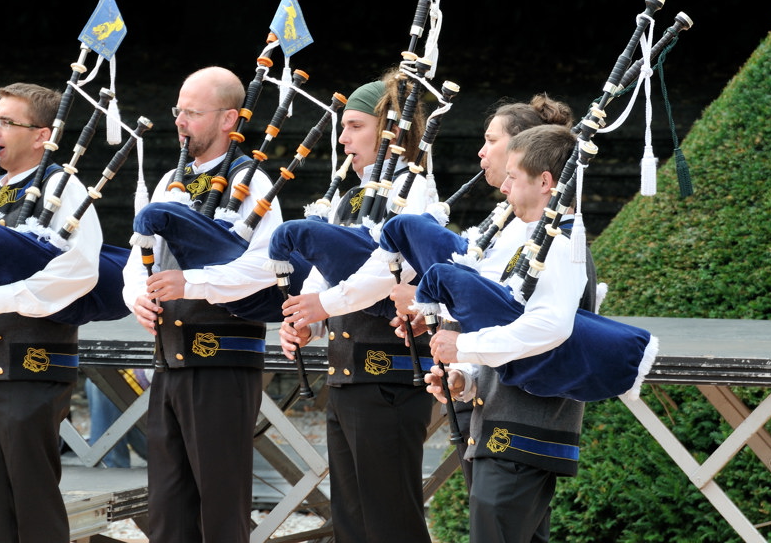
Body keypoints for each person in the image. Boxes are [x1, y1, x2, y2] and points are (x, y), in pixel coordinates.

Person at [122, 65, 283, 543]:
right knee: (168, 507)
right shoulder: (172, 179)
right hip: (170, 356)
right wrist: (138, 296)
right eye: (178, 110)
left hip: (222, 358)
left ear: (229, 118)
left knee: (220, 504)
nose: (180, 121)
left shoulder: (251, 182)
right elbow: (138, 254)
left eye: (192, 112)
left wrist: (189, 283)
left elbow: (266, 267)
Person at [0, 82, 103, 543]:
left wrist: (2, 299)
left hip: (34, 364)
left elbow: (81, 270)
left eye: (7, 121)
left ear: (41, 135)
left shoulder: (64, 188)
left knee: (35, 508)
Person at [277, 72, 437, 543]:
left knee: (390, 522)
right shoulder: (350, 197)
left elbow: (385, 271)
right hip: (348, 374)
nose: (343, 139)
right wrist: (304, 321)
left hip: (388, 375)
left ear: (390, 128)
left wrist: (322, 305)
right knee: (352, 521)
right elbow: (323, 268)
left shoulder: (413, 191)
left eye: (354, 126)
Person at [422, 123, 594, 543]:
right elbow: (512, 329)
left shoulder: (564, 244)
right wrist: (466, 379)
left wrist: (464, 344)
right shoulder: (537, 243)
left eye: (514, 177)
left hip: (526, 427)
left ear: (546, 182)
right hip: (505, 422)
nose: (505, 188)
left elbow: (548, 329)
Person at [85, 370, 149, 468]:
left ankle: (106, 464)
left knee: (108, 385)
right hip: (146, 426)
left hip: (169, 440)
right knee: (96, 380)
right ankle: (108, 462)